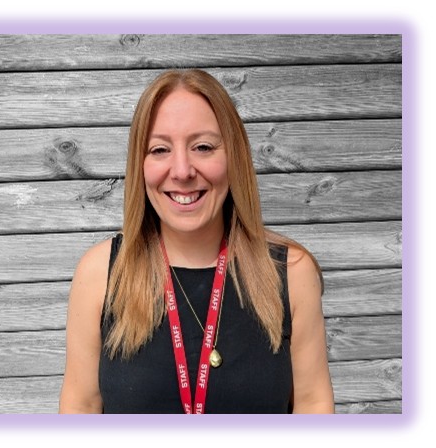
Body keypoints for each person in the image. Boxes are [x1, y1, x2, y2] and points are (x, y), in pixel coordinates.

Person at [58, 68, 335, 414]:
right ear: (139, 164)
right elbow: (80, 406)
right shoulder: (99, 273)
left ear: (233, 156)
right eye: (160, 149)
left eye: (203, 147)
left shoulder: (292, 272)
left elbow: (313, 404)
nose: (182, 171)